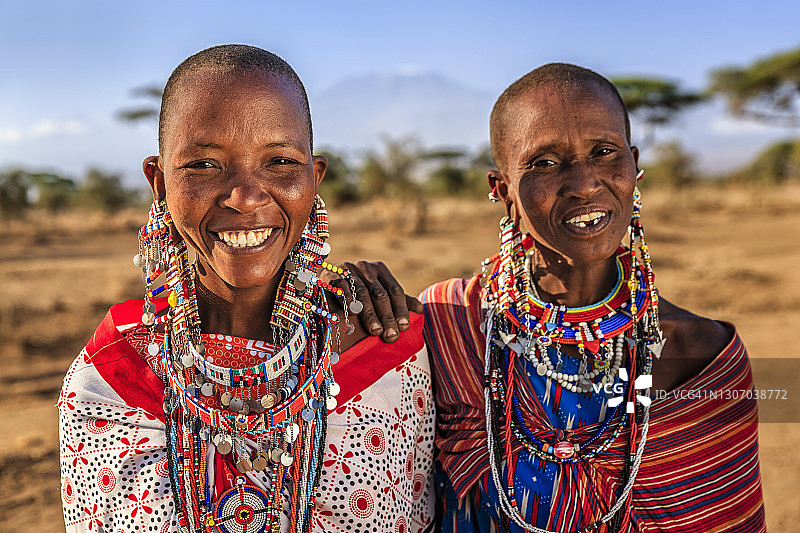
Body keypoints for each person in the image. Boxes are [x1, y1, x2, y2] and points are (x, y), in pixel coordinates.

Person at [348, 63, 766, 532]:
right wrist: (352, 294)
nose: (585, 183)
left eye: (605, 153)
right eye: (545, 163)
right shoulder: (454, 325)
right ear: (502, 190)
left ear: (633, 166)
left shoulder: (701, 354)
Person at [58, 45, 435, 533]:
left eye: (279, 161)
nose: (245, 196)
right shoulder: (110, 377)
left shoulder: (386, 350)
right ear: (159, 182)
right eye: (203, 165)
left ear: (313, 177)